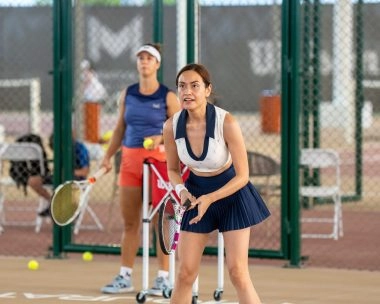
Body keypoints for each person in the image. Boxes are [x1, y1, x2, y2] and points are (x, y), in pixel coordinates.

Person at [162, 63, 271, 304]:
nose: (187, 92)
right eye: (182, 86)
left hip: (233, 193)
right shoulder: (171, 126)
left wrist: (210, 198)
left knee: (237, 272)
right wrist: (182, 191)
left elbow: (243, 175)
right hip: (195, 194)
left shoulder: (227, 122)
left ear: (207, 90)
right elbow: (172, 169)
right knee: (185, 274)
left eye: (194, 86)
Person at [100, 43, 181, 296]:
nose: (144, 62)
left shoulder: (168, 97)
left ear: (157, 64)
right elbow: (119, 129)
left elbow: (180, 131)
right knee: (130, 223)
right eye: (141, 58)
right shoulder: (128, 94)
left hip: (158, 165)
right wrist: (106, 157)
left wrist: (160, 138)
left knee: (162, 222)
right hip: (130, 162)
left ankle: (164, 278)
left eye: (149, 58)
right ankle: (125, 276)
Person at [37, 134, 90, 216]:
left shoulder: (79, 149)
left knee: (63, 178)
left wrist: (67, 172)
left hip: (76, 178)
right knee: (35, 181)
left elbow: (84, 172)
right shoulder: (59, 151)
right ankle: (53, 202)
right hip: (60, 177)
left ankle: (68, 210)